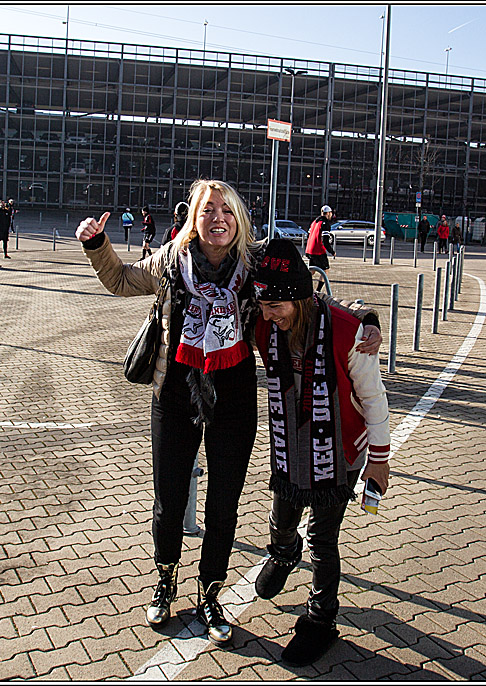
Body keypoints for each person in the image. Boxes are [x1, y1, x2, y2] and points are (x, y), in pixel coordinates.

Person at [74, 179, 382, 647]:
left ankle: (210, 593)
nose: (218, 218)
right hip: (174, 391)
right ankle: (165, 579)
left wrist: (367, 317)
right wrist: (96, 244)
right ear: (194, 220)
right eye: (208, 210)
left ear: (239, 219)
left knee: (223, 504)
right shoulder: (171, 261)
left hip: (234, 395)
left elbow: (312, 295)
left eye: (227, 210)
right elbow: (119, 280)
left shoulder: (255, 261)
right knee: (169, 498)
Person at [252, 238, 391, 667]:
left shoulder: (347, 333)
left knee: (323, 539)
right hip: (291, 448)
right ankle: (282, 552)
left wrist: (381, 461)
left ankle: (321, 618)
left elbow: (374, 398)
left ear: (299, 297)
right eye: (263, 304)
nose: (268, 314)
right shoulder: (261, 324)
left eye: (277, 305)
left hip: (341, 451)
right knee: (281, 519)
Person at [305, 204, 336, 289]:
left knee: (312, 271)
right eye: (330, 213)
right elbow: (325, 240)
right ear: (328, 213)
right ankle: (318, 291)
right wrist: (332, 251)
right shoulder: (325, 224)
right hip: (318, 250)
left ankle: (305, 287)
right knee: (325, 271)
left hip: (309, 249)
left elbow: (308, 235)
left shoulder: (314, 222)